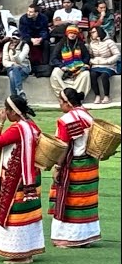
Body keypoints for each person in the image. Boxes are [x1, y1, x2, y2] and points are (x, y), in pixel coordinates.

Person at [0, 96, 45, 264]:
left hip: (17, 177)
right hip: (31, 176)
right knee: (28, 212)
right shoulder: (32, 126)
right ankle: (28, 250)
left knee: (15, 212)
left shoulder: (17, 129)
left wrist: (0, 123)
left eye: (7, 110)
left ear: (13, 112)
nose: (5, 113)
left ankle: (20, 254)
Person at [49, 89, 100, 249]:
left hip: (75, 164)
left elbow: (63, 146)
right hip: (90, 163)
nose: (59, 105)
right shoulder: (87, 115)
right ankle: (87, 236)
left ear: (68, 103)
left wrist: (58, 166)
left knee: (70, 199)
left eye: (60, 101)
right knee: (87, 199)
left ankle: (70, 237)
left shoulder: (66, 120)